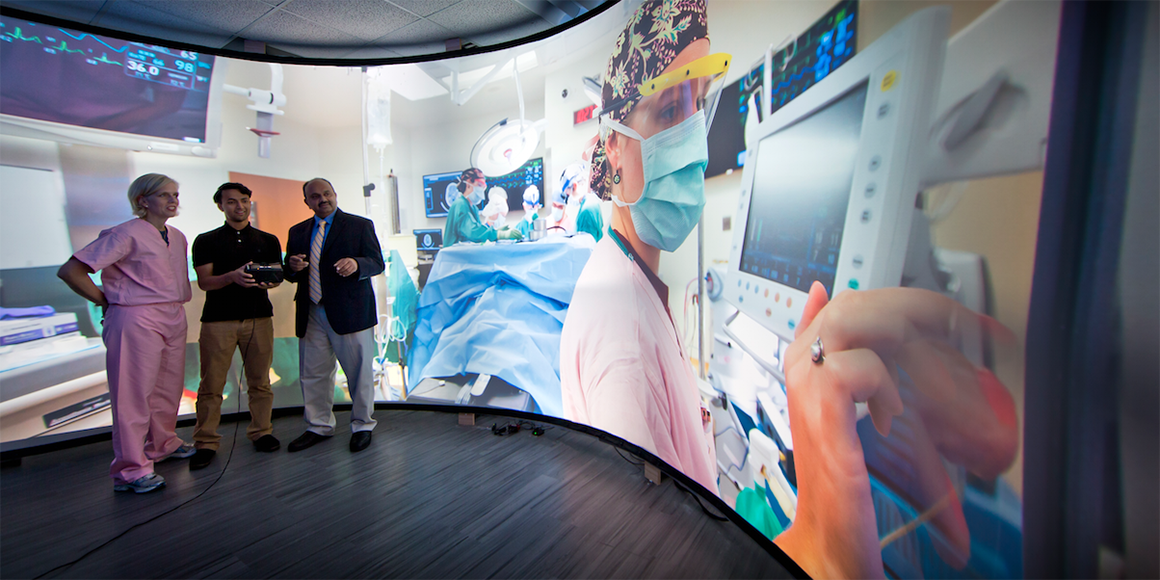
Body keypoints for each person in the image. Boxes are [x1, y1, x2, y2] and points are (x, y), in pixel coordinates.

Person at [562, 1, 1019, 578]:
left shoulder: (630, 275)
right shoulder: (620, 338)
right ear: (614, 146)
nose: (693, 138)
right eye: (669, 107)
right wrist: (820, 554)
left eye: (699, 104)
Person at [57, 173, 195, 493]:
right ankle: (131, 469)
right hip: (136, 317)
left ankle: (163, 444)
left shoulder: (176, 236)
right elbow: (71, 270)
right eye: (164, 195)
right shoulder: (123, 234)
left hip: (173, 314)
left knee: (167, 389)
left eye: (175, 194)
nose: (173, 200)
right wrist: (104, 300)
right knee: (132, 396)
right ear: (142, 201)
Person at [283, 178, 385, 453]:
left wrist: (356, 263)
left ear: (335, 195)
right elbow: (290, 271)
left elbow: (376, 262)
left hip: (350, 312)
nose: (322, 199)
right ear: (307, 202)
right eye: (315, 196)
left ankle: (362, 425)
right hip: (312, 310)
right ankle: (318, 426)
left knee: (359, 373)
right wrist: (291, 266)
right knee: (313, 373)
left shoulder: (359, 225)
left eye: (327, 193)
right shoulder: (298, 231)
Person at [187, 182, 283, 470]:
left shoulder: (268, 240)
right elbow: (205, 282)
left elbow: (277, 277)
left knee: (261, 382)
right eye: (231, 202)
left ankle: (262, 432)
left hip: (259, 318)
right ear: (221, 206)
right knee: (211, 385)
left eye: (243, 200)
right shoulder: (205, 241)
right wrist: (232, 277)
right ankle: (205, 442)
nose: (239, 206)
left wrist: (268, 278)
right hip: (218, 320)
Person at [443, 168, 522, 245]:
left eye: (483, 187)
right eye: (479, 185)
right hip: (454, 256)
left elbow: (478, 232)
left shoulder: (473, 208)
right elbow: (473, 232)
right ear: (468, 185)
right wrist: (499, 234)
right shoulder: (460, 204)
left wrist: (494, 230)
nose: (481, 189)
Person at [560, 160, 603, 241]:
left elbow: (587, 246)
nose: (568, 198)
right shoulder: (589, 202)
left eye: (568, 194)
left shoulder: (587, 209)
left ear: (575, 186)